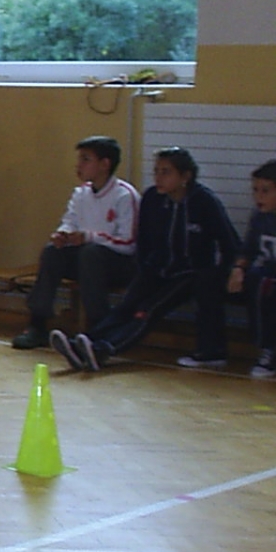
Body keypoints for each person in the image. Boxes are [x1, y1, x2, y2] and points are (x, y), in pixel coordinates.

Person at [54, 147, 239, 373]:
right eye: (156, 171)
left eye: (166, 172)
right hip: (156, 269)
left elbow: (230, 243)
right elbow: (143, 241)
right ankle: (83, 343)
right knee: (125, 307)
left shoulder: (204, 201)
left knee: (146, 311)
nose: (158, 178)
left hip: (188, 273)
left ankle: (105, 349)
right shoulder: (152, 198)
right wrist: (145, 269)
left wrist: (222, 273)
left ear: (185, 176)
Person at [10, 135, 139, 349]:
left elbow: (129, 244)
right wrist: (63, 234)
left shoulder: (125, 195)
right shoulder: (81, 193)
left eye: (86, 159)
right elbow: (70, 221)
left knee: (91, 253)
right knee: (52, 252)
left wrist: (88, 237)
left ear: (105, 164)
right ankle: (37, 324)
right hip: (86, 260)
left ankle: (98, 329)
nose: (78, 165)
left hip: (118, 264)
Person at [227, 158, 276, 380]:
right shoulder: (259, 217)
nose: (258, 197)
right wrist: (238, 269)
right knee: (257, 280)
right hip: (267, 274)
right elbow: (247, 250)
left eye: (265, 191)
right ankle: (267, 349)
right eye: (255, 190)